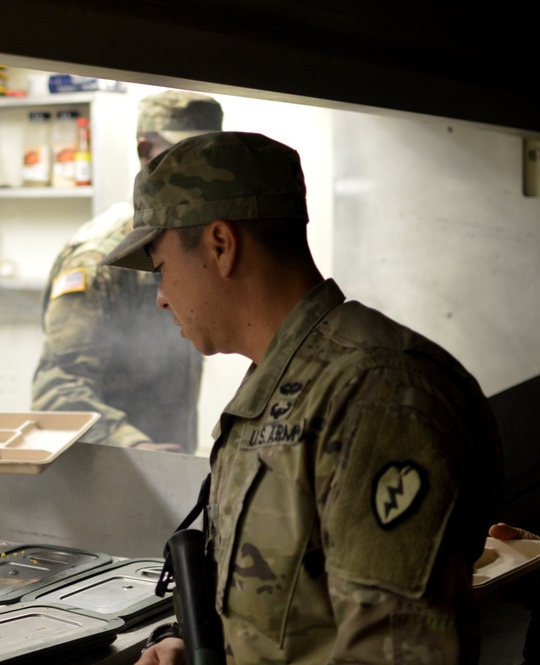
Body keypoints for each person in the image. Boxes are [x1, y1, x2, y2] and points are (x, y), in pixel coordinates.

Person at [99, 131, 505, 663]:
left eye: (161, 267)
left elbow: (398, 653)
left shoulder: (377, 395)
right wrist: (195, 643)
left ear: (221, 246)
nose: (161, 296)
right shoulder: (280, 386)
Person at [31, 90, 223, 452]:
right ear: (144, 150)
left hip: (168, 464)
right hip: (108, 471)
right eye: (181, 156)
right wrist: (135, 447)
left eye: (209, 158)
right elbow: (57, 393)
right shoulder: (98, 258)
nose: (201, 177)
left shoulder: (199, 244)